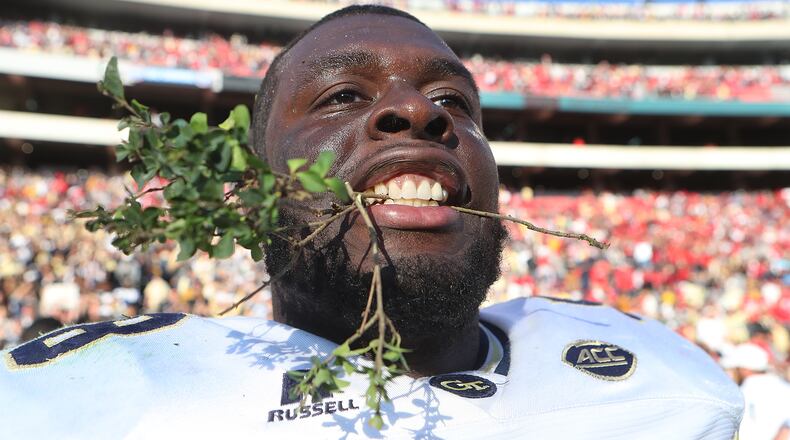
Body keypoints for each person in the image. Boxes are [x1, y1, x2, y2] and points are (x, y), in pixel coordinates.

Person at [0, 6, 742, 439]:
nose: (419, 111)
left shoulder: (658, 392)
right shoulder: (91, 410)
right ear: (247, 197)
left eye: (454, 102)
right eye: (341, 96)